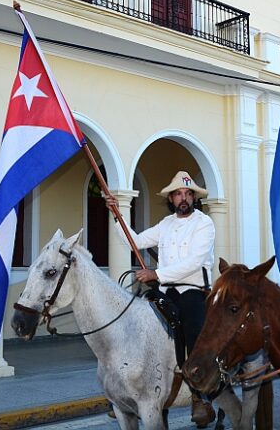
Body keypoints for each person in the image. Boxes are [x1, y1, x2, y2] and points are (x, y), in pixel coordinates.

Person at [106, 171, 215, 427]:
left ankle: (200, 394)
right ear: (171, 198)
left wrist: (156, 273)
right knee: (133, 324)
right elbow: (136, 241)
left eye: (188, 194)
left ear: (194, 197)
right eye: (179, 194)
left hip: (192, 288)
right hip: (166, 290)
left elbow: (194, 262)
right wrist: (116, 214)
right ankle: (127, 392)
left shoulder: (204, 223)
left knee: (193, 328)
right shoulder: (166, 224)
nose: (184, 198)